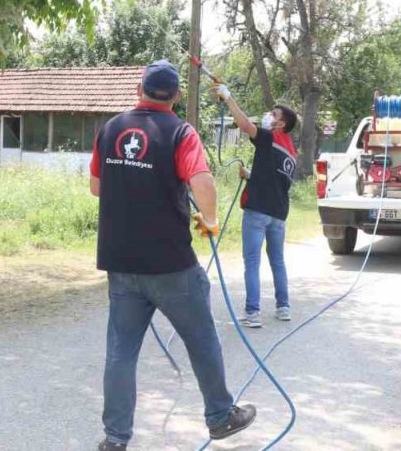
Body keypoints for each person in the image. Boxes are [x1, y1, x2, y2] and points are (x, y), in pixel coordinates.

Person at [89, 60, 256, 451]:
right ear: (177, 96)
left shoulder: (110, 128)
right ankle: (220, 416)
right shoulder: (181, 132)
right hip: (170, 265)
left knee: (120, 353)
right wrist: (209, 220)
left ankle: (115, 439)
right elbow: (203, 182)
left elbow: (97, 187)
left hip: (120, 261)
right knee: (202, 340)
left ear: (139, 89)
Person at [216, 83, 298, 328]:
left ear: (281, 123)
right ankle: (283, 307)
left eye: (274, 114)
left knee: (252, 262)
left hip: (258, 210)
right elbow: (276, 180)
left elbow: (243, 124)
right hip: (278, 215)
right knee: (277, 261)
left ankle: (252, 313)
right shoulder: (291, 151)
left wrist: (228, 97)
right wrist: (251, 175)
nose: (268, 116)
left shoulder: (269, 137)